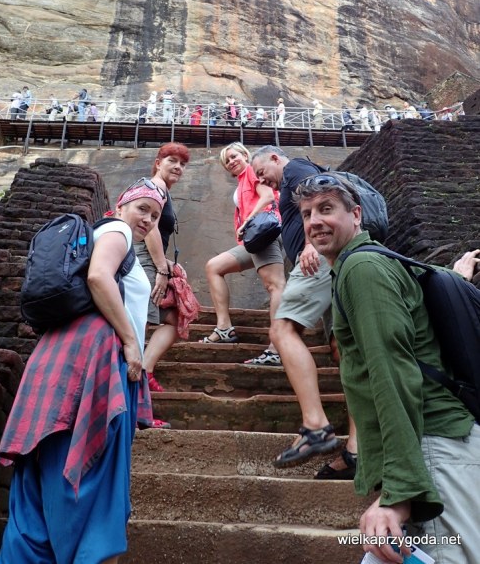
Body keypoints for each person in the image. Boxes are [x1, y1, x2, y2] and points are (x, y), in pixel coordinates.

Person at [296, 173, 480, 564]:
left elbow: (393, 371)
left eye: (326, 209)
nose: (314, 222)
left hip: (432, 445)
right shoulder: (370, 264)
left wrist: (400, 492)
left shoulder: (362, 268)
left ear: (356, 214)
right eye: (307, 213)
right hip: (431, 447)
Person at [0, 182, 164, 564]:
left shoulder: (98, 237)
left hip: (56, 356)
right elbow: (99, 277)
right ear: (120, 205)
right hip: (96, 359)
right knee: (95, 490)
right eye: (142, 208)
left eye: (155, 216)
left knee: (37, 483)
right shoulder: (117, 230)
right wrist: (131, 342)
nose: (148, 219)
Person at [251, 146, 357, 474]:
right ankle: (357, 449)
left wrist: (311, 244)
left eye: (261, 171)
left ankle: (315, 425)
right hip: (333, 260)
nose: (261, 179)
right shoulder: (294, 174)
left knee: (282, 329)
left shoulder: (295, 168)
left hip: (316, 260)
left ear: (274, 158)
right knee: (344, 346)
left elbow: (317, 195)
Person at [201, 143, 285, 367]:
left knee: (275, 285)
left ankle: (277, 348)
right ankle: (224, 328)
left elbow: (268, 196)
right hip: (253, 238)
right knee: (214, 267)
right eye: (226, 160)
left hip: (264, 233)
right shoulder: (242, 181)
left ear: (245, 155)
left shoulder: (252, 171)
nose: (231, 161)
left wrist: (248, 221)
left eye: (234, 156)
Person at [133, 144, 191, 400]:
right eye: (172, 160)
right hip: (143, 260)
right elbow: (150, 229)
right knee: (141, 320)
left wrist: (167, 262)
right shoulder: (155, 187)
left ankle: (144, 370)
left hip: (148, 257)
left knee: (173, 319)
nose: (178, 167)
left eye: (182, 163)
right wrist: (161, 268)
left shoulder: (160, 190)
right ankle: (134, 378)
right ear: (158, 163)